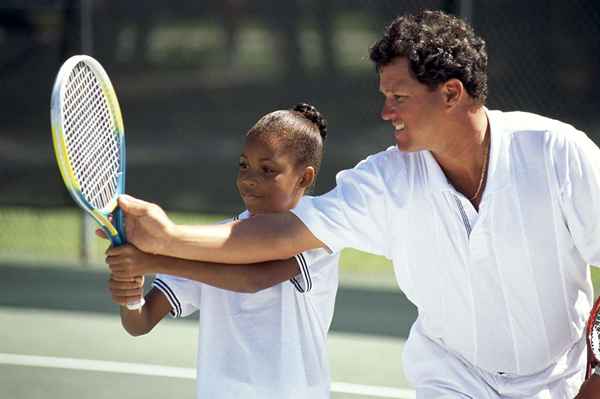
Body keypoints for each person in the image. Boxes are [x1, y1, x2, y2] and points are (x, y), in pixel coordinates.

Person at [111, 10, 600, 398]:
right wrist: (167, 236)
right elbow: (282, 233)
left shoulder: (559, 154)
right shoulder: (385, 179)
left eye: (399, 97)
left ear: (451, 93)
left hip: (562, 378)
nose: (385, 111)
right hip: (453, 378)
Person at [105, 103, 340, 399]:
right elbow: (141, 321)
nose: (249, 178)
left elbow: (251, 279)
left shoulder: (317, 233)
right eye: (244, 165)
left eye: (268, 169)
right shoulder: (212, 240)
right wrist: (132, 287)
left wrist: (151, 259)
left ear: (304, 178)